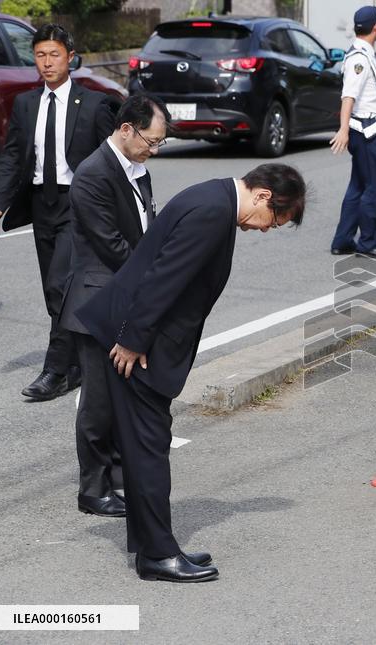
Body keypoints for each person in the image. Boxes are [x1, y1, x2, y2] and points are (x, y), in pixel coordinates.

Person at [75, 164, 307, 582]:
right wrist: (133, 338)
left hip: (138, 337)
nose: (266, 230)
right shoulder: (213, 212)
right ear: (264, 197)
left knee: (148, 445)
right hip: (135, 345)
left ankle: (155, 547)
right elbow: (164, 277)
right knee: (148, 449)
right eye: (274, 221)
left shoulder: (213, 196)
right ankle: (158, 556)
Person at [0, 24, 118, 401]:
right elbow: (13, 156)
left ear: (70, 57)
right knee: (53, 290)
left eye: (53, 55)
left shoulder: (93, 104)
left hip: (79, 204)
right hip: (42, 204)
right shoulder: (27, 104)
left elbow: (111, 161)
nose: (46, 63)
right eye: (40, 55)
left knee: (62, 283)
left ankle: (55, 370)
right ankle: (78, 362)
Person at [59, 94, 169, 519]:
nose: (154, 150)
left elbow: (146, 227)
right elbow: (113, 246)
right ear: (127, 129)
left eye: (160, 143)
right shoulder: (92, 175)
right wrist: (158, 277)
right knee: (100, 402)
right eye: (151, 141)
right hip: (99, 300)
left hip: (130, 297)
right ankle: (93, 487)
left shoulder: (138, 169)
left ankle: (122, 477)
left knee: (130, 394)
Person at [329, 5, 376, 260]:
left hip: (364, 131)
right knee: (375, 189)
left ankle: (343, 239)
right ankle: (368, 242)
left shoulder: (361, 53)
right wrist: (343, 129)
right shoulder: (359, 58)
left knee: (358, 187)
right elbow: (349, 97)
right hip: (366, 133)